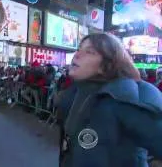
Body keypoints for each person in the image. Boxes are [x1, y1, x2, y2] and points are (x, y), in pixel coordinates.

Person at [55, 33, 162, 167]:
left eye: (89, 52)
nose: (76, 55)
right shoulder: (76, 92)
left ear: (105, 65)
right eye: (79, 49)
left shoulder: (128, 97)